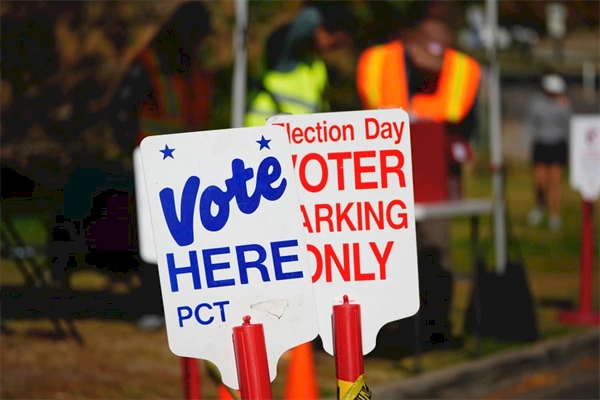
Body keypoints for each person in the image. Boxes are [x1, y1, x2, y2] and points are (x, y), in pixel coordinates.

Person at [356, 2, 482, 346]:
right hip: (387, 178)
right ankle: (396, 329)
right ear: (411, 41)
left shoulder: (460, 70)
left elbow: (464, 125)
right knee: (394, 256)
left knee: (436, 250)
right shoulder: (380, 63)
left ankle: (434, 325)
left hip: (436, 179)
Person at [107, 1, 214, 331]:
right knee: (153, 241)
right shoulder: (150, 63)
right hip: (150, 161)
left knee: (183, 237)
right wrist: (134, 148)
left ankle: (179, 304)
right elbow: (121, 110)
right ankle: (152, 305)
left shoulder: (192, 67)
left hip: (185, 162)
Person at [244, 2, 357, 127]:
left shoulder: (315, 65)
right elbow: (306, 21)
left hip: (296, 139)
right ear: (322, 29)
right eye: (335, 43)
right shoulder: (285, 54)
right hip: (264, 134)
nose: (333, 49)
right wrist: (327, 11)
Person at [522, 74, 571, 231]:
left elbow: (569, 126)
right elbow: (530, 124)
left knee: (555, 182)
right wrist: (525, 144)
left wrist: (571, 147)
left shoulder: (564, 104)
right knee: (540, 182)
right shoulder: (536, 103)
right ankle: (540, 208)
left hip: (558, 145)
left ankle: (554, 215)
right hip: (541, 145)